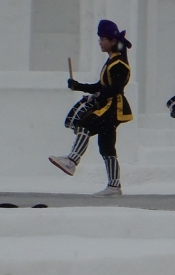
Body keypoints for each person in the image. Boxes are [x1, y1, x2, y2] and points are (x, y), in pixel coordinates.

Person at [50, 20, 133, 196]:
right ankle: (114, 186)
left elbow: (115, 89)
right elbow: (100, 85)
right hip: (109, 107)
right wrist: (78, 86)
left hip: (113, 108)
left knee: (84, 124)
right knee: (107, 146)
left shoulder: (119, 64)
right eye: (100, 39)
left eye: (103, 39)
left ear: (112, 41)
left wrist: (98, 96)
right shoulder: (112, 62)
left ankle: (72, 161)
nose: (100, 42)